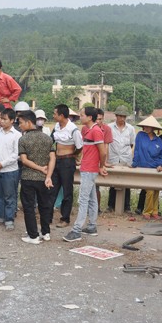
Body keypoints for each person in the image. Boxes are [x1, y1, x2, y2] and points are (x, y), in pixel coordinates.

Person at [63, 107, 108, 242]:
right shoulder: (89, 130)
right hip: (87, 168)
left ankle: (76, 230)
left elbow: (103, 152)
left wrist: (101, 166)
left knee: (83, 199)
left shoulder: (96, 131)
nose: (80, 117)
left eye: (82, 115)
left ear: (89, 117)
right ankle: (92, 226)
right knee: (92, 198)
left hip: (90, 169)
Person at [17, 110, 56, 244]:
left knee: (29, 207)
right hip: (44, 179)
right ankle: (45, 232)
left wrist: (39, 168)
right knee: (44, 206)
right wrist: (48, 175)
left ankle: (33, 235)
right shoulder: (48, 138)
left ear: (29, 122)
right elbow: (52, 159)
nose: (19, 125)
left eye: (21, 122)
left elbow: (24, 160)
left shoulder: (23, 139)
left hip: (28, 178)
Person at [0, 108, 22, 231]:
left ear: (12, 120)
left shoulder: (17, 135)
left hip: (10, 171)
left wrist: (2, 163)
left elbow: (16, 154)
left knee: (10, 196)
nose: (1, 121)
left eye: (4, 119)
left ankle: (9, 219)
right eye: (1, 118)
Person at [50, 104, 83, 228]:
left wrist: (73, 155)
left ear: (62, 115)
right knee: (52, 189)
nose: (53, 116)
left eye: (55, 114)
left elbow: (80, 147)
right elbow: (51, 141)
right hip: (57, 160)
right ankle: (48, 216)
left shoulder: (73, 129)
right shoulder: (56, 127)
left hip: (67, 162)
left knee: (67, 191)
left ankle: (65, 218)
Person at [131, 116, 162, 220]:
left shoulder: (158, 140)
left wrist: (161, 165)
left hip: (155, 169)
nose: (146, 128)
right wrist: (134, 163)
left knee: (156, 190)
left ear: (153, 128)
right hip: (144, 168)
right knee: (150, 190)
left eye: (149, 126)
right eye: (145, 126)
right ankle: (147, 212)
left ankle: (155, 211)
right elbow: (137, 150)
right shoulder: (140, 136)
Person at [106, 105, 135, 212]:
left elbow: (131, 144)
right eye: (120, 116)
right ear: (116, 116)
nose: (122, 119)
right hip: (113, 158)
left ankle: (127, 206)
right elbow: (106, 143)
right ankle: (111, 205)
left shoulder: (130, 129)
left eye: (124, 116)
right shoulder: (109, 127)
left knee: (126, 183)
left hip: (125, 159)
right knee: (113, 182)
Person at [94, 108, 113, 212]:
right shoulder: (86, 128)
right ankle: (90, 208)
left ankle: (97, 208)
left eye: (100, 119)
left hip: (100, 160)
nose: (98, 121)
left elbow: (106, 147)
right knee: (90, 187)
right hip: (90, 161)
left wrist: (104, 162)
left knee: (96, 186)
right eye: (96, 119)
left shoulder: (107, 129)